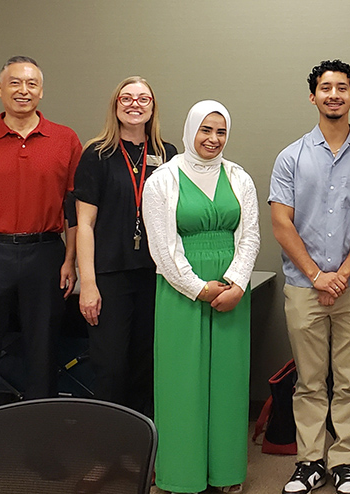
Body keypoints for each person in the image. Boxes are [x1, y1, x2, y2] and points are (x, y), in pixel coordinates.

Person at [0, 55, 83, 419]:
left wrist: (71, 260)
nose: (24, 91)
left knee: (43, 350)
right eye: (15, 83)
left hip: (45, 254)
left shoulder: (65, 140)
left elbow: (74, 209)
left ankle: (39, 441)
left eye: (31, 84)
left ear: (42, 90)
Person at [270, 60, 350, 494]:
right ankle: (310, 461)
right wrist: (317, 274)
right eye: (324, 88)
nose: (333, 94)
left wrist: (343, 274)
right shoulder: (291, 156)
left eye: (341, 88)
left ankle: (347, 462)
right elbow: (282, 223)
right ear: (313, 96)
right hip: (304, 286)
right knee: (310, 380)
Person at [143, 100, 260, 494]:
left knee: (228, 382)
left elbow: (249, 235)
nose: (213, 139)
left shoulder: (239, 176)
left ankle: (226, 472)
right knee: (182, 382)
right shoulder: (163, 179)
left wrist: (237, 283)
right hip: (181, 291)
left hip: (230, 289)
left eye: (221, 131)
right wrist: (197, 287)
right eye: (206, 130)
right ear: (191, 129)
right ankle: (181, 473)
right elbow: (162, 245)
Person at [75, 76, 177, 413]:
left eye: (143, 99)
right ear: (116, 106)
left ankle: (143, 451)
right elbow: (84, 225)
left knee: (146, 364)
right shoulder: (97, 154)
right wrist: (87, 283)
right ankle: (109, 452)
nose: (135, 104)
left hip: (154, 276)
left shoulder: (168, 155)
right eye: (127, 98)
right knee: (111, 367)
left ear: (152, 108)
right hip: (110, 275)